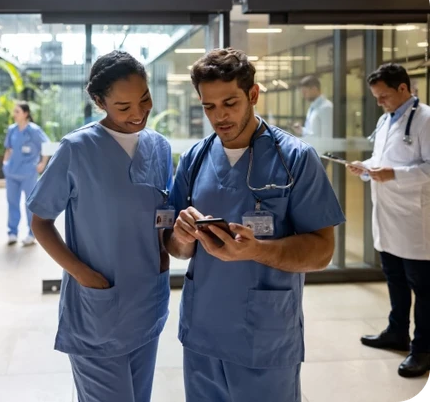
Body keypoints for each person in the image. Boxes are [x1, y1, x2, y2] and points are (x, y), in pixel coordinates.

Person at [163, 48, 346, 401]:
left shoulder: (294, 159)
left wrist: (256, 250)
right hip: (203, 333)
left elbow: (322, 251)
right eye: (209, 107)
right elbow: (176, 248)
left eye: (230, 103)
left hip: (264, 338)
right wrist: (182, 236)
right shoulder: (196, 159)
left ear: (253, 94)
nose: (220, 116)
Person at [27, 50, 174, 402]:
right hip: (99, 310)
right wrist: (82, 274)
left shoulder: (160, 148)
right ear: (99, 101)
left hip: (147, 302)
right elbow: (41, 221)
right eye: (123, 107)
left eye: (144, 99)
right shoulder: (76, 150)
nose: (138, 114)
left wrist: (165, 255)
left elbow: (163, 218)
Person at [347, 63, 430, 378]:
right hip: (388, 215)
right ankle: (397, 332)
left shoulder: (425, 120)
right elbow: (384, 160)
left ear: (403, 89)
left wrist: (393, 174)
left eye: (383, 96)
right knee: (394, 278)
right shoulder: (387, 120)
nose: (379, 103)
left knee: (422, 288)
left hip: (416, 219)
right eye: (376, 97)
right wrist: (365, 166)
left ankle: (423, 348)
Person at [2, 101, 50, 246]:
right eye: (14, 112)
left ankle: (31, 233)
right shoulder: (12, 129)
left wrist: (43, 163)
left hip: (29, 173)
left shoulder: (34, 130)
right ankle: (12, 232)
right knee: (12, 202)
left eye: (17, 111)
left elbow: (48, 145)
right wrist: (5, 164)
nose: (14, 114)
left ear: (25, 113)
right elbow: (8, 149)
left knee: (30, 204)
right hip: (12, 173)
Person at [293, 75, 333, 140]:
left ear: (314, 89)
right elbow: (313, 133)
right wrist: (302, 130)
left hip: (319, 150)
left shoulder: (326, 108)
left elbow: (327, 138)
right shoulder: (312, 108)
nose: (303, 96)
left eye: (305, 92)